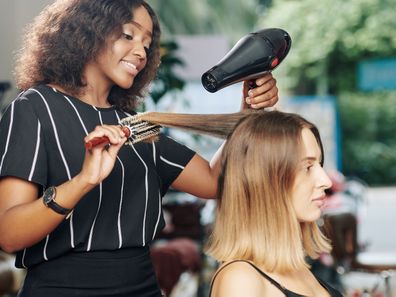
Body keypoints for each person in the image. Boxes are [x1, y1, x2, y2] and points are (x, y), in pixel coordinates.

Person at [0, 0, 279, 296]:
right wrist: (84, 181)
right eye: (128, 35)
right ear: (86, 31)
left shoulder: (134, 126)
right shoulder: (34, 108)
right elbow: (9, 234)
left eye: (147, 44)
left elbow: (214, 180)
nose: (141, 52)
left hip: (143, 287)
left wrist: (249, 110)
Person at [204, 110, 343, 297]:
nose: (325, 180)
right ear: (266, 180)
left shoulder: (299, 269)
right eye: (308, 167)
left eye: (319, 164)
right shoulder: (241, 280)